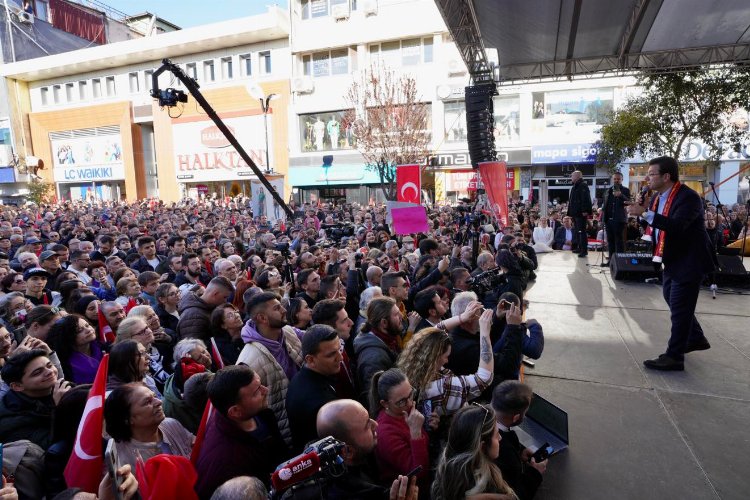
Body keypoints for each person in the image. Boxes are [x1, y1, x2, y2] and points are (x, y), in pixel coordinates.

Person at [627, 156, 716, 371]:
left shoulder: (689, 197)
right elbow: (657, 226)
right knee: (672, 298)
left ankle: (674, 356)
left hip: (690, 260)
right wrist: (643, 212)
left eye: (652, 174)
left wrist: (646, 213)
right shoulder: (659, 197)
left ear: (666, 176)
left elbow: (676, 226)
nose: (648, 178)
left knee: (679, 307)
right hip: (673, 258)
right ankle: (695, 337)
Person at [195, 365, 291, 497]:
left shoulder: (258, 413)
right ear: (235, 411)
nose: (266, 390)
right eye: (257, 392)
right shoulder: (227, 465)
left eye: (260, 384)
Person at [315, 399, 419, 500]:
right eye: (367, 426)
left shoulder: (360, 455)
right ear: (348, 451)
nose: (376, 424)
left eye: (369, 418)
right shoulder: (364, 494)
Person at [236, 292, 302, 446]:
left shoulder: (287, 331)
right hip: (287, 434)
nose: (284, 310)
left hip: (305, 415)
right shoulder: (248, 361)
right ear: (262, 318)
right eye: (277, 308)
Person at [431, 403, 517, 499]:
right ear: (482, 447)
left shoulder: (445, 468)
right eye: (496, 435)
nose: (500, 438)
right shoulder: (489, 489)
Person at [104, 383, 194, 472]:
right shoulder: (121, 462)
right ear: (127, 419)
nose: (159, 402)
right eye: (147, 402)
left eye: (155, 396)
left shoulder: (171, 425)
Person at [369, 368, 431, 491]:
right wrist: (416, 433)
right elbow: (418, 474)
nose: (409, 403)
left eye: (411, 394)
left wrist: (430, 427)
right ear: (385, 404)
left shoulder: (404, 411)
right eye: (401, 401)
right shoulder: (385, 433)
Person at [286, 324, 345, 451]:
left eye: (340, 350)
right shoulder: (316, 401)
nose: (340, 358)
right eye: (331, 355)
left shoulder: (308, 376)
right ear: (311, 360)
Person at [0, 349, 70, 449]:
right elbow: (52, 448)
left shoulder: (60, 388)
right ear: (17, 386)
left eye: (49, 365)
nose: (50, 372)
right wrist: (62, 409)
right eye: (37, 372)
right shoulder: (10, 421)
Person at [491, 381, 546, 500]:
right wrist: (535, 473)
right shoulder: (505, 452)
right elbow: (516, 495)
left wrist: (519, 453)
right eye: (525, 413)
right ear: (516, 417)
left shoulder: (476, 416)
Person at [47, 314, 104, 384]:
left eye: (87, 325)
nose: (88, 330)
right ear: (67, 337)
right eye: (80, 330)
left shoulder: (105, 347)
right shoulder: (63, 363)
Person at [177, 276, 233, 341]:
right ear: (215, 294)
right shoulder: (193, 318)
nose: (225, 301)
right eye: (225, 297)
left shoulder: (211, 307)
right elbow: (194, 348)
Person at [602, 171, 631, 259]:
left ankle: (619, 261)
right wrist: (603, 219)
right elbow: (605, 205)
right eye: (615, 179)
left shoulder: (625, 190)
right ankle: (611, 260)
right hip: (608, 220)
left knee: (619, 241)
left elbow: (628, 203)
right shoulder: (608, 190)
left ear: (622, 179)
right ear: (612, 179)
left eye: (618, 179)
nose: (616, 180)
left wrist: (621, 195)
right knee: (610, 241)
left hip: (619, 220)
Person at [567, 170, 592, 257]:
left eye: (572, 176)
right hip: (575, 213)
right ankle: (579, 248)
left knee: (582, 232)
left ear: (577, 177)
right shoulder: (575, 186)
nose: (571, 178)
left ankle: (584, 250)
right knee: (578, 231)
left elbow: (585, 199)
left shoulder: (583, 185)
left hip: (581, 213)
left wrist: (585, 211)